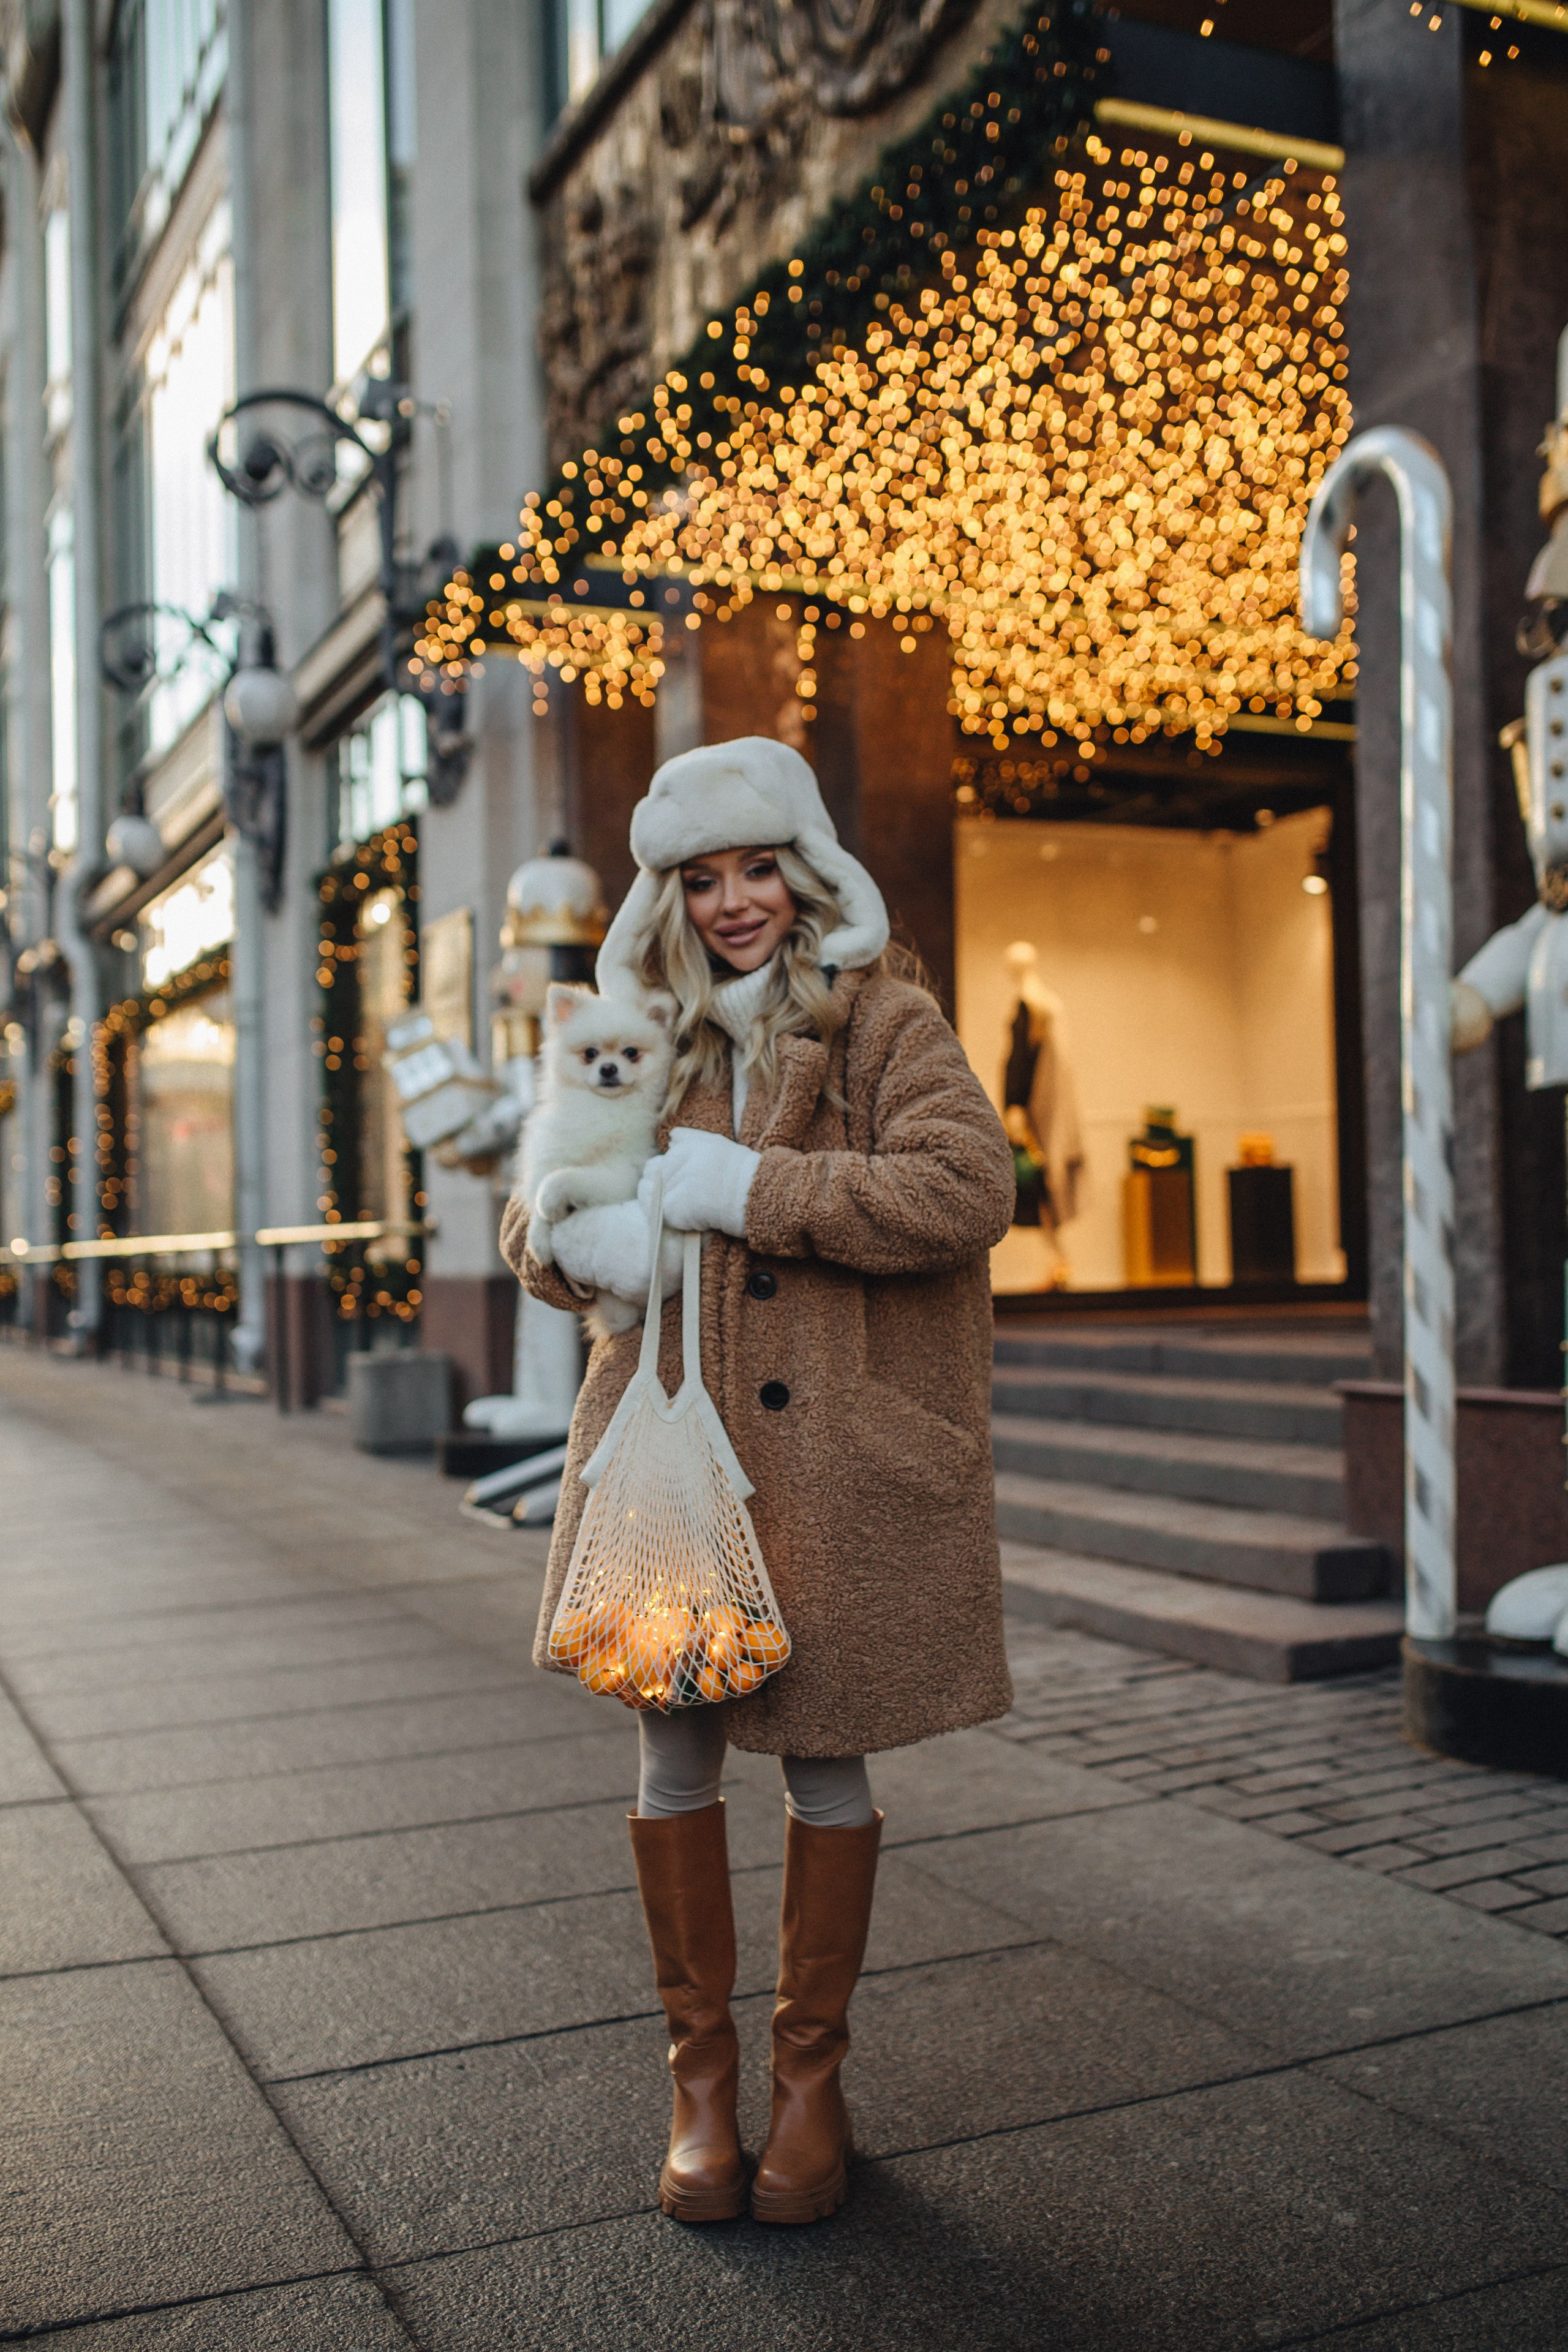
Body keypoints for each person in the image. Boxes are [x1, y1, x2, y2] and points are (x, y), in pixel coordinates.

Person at [500, 735, 1015, 2226]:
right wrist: (573, 1231)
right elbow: (542, 1232)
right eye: (701, 876)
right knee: (672, 1756)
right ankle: (701, 2085)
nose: (733, 903)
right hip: (669, 1469)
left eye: (756, 870)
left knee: (825, 1759)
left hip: (829, 1468)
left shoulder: (880, 1021)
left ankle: (808, 2082)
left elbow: (968, 1188)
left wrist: (753, 1192)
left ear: (804, 874)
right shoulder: (628, 1029)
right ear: (669, 891)